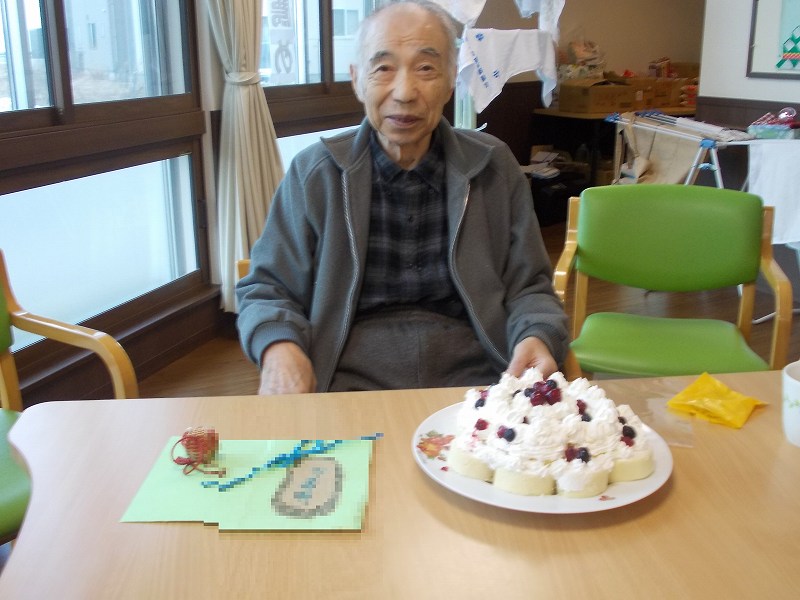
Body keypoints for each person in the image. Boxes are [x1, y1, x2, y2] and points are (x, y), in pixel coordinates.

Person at [236, 0, 569, 395]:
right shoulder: (316, 174)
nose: (405, 92)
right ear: (357, 79)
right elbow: (267, 288)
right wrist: (279, 346)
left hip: (480, 382)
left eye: (426, 68)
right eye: (383, 68)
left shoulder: (493, 166)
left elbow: (529, 287)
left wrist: (537, 334)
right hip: (347, 381)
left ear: (451, 80)